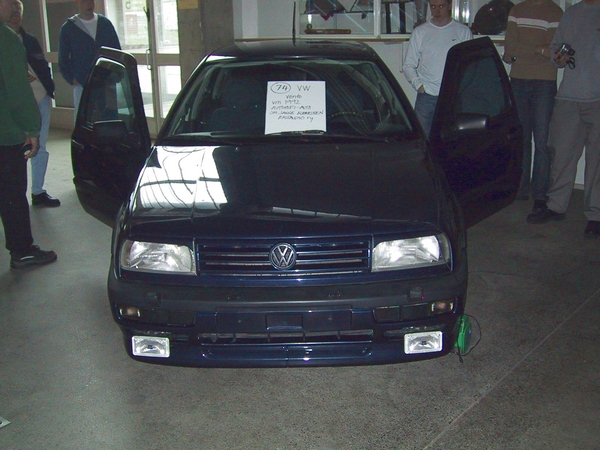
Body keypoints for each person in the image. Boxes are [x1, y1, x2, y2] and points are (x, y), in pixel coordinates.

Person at [526, 0, 600, 239]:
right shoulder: (572, 13)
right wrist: (557, 58)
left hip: (597, 99)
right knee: (561, 154)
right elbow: (555, 51)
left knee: (597, 161)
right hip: (568, 97)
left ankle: (596, 215)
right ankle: (556, 206)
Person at [0, 0, 57, 269]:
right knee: (11, 194)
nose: (14, 8)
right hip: (5, 135)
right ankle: (22, 250)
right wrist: (32, 128)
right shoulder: (7, 40)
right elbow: (18, 91)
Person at [502, 0, 563, 214]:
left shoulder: (555, 11)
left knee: (543, 141)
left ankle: (540, 194)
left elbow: (554, 52)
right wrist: (539, 50)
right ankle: (520, 189)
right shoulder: (517, 10)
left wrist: (524, 52)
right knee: (522, 138)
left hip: (544, 82)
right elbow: (510, 48)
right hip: (518, 80)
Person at [7, 0, 60, 207]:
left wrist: (49, 88)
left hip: (40, 98)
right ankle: (14, 195)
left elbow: (42, 65)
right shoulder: (4, 42)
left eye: (18, 12)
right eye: (11, 12)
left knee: (40, 147)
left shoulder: (30, 40)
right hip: (15, 104)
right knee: (16, 149)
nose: (15, 16)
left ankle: (38, 191)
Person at [402, 0, 473, 138]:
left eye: (441, 6)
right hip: (427, 96)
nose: (437, 11)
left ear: (449, 6)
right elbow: (408, 65)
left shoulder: (462, 31)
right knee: (422, 138)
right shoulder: (420, 32)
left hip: (453, 96)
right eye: (433, 7)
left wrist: (460, 88)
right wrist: (419, 86)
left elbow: (470, 65)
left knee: (453, 139)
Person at [58, 0, 121, 120]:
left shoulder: (105, 24)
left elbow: (116, 51)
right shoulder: (69, 28)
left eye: (91, 1)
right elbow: (63, 59)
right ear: (77, 3)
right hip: (82, 82)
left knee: (108, 117)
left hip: (105, 82)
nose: (89, 4)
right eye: (85, 1)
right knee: (84, 118)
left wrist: (115, 74)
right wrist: (72, 78)